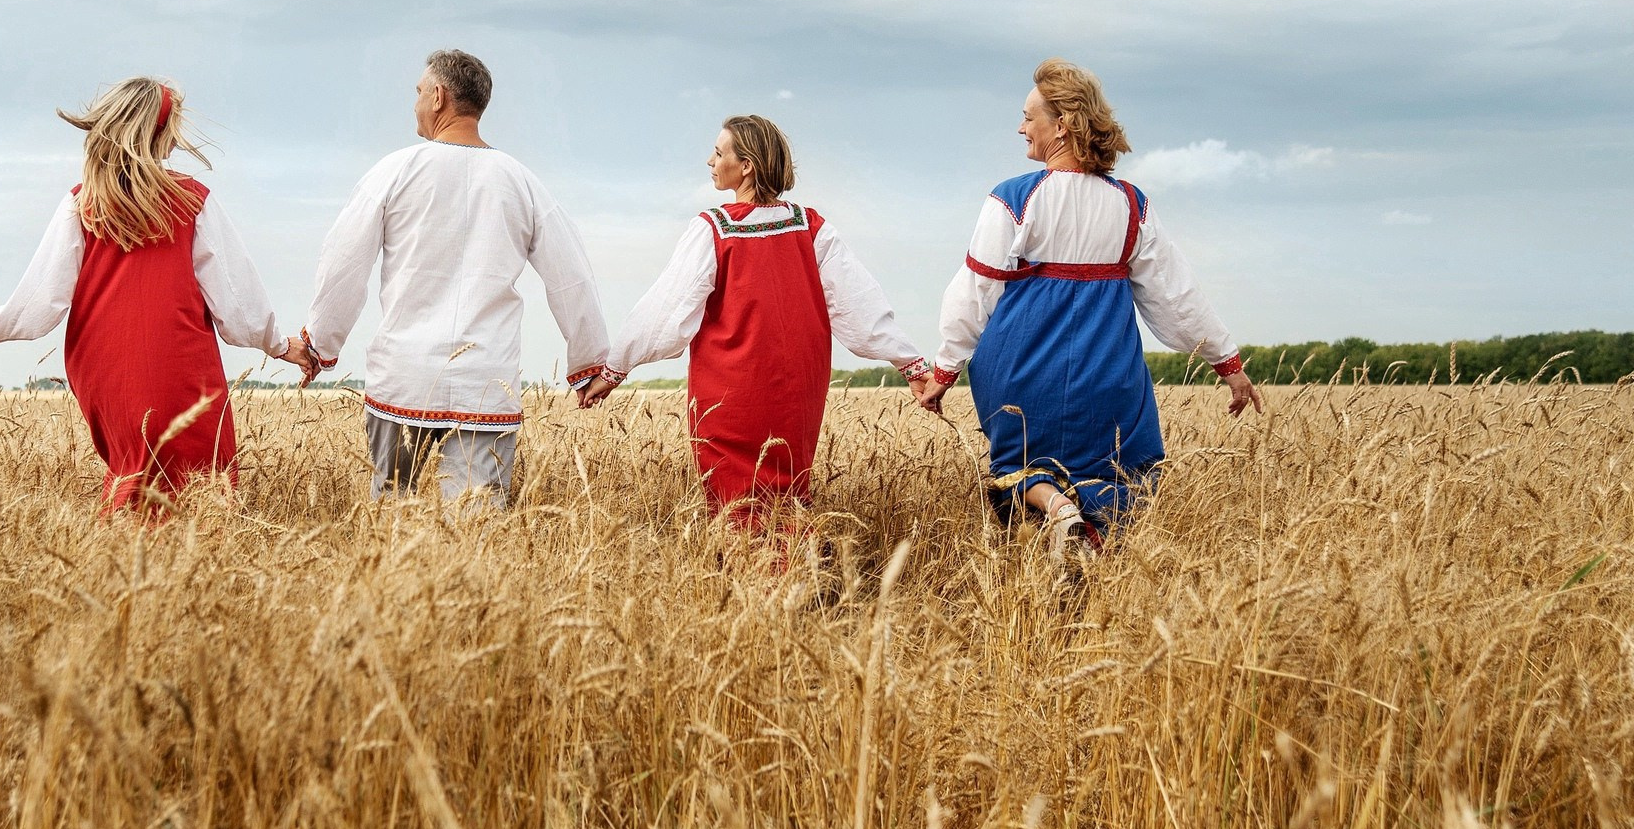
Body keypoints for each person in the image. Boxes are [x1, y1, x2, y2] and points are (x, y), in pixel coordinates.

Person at [916, 59, 1259, 554]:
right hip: (1107, 371)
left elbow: (975, 291)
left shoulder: (1014, 198)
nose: (1020, 127)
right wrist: (1226, 363)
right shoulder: (1131, 204)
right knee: (1120, 472)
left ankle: (1056, 512)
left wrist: (945, 371)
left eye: (1029, 117)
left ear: (1062, 126)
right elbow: (1174, 294)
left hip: (1020, 368)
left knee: (1016, 468)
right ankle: (1089, 546)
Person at [0, 78, 305, 511]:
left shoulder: (82, 203)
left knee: (133, 476)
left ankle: (116, 568)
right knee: (196, 489)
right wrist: (280, 347)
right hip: (176, 364)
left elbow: (36, 305)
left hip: (105, 372)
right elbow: (239, 305)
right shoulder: (192, 200)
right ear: (158, 134)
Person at [284, 49, 610, 506]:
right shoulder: (521, 181)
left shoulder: (394, 171)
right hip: (485, 382)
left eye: (419, 91)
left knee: (389, 517)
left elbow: (344, 264)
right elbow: (571, 277)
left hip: (404, 374)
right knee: (475, 529)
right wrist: (590, 362)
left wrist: (320, 345)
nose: (415, 101)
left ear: (438, 96)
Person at [583, 116, 932, 524]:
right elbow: (859, 305)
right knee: (787, 494)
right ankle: (796, 578)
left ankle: (752, 582)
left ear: (746, 165)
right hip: (797, 391)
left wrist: (615, 369)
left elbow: (666, 309)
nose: (709, 160)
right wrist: (908, 363)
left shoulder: (714, 227)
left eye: (718, 152)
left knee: (734, 500)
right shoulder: (811, 227)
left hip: (731, 391)